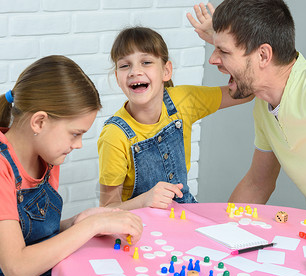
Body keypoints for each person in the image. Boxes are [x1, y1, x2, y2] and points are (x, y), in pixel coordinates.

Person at [187, 1, 306, 276]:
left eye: (223, 51)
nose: (213, 59)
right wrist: (217, 234)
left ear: (263, 55)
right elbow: (258, 183)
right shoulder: (265, 107)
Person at [0, 55, 143, 276]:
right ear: (39, 122)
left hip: (36, 274)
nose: (78, 144)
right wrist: (93, 226)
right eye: (74, 133)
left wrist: (77, 221)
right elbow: (17, 268)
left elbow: (25, 234)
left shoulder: (47, 158)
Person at [98, 26, 253, 210]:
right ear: (117, 77)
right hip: (139, 227)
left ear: (166, 71)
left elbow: (246, 91)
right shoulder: (114, 136)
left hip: (183, 215)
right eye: (125, 65)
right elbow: (107, 210)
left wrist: (222, 46)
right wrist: (144, 200)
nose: (134, 71)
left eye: (146, 62)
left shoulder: (183, 101)